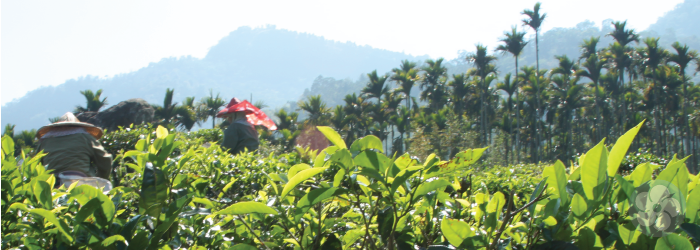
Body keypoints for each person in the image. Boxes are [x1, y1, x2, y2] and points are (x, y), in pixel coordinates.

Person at [36, 112, 112, 186]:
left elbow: (35, 164)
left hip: (52, 184)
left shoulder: (45, 140)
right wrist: (101, 180)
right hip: (80, 182)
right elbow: (105, 160)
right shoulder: (86, 137)